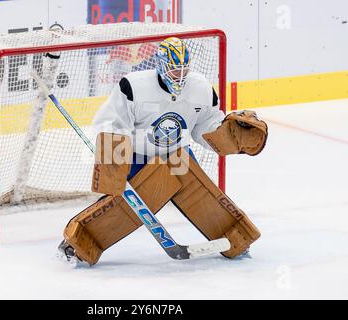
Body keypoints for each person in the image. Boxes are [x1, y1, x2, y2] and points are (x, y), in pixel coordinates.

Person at [59, 37, 268, 265]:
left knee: (201, 194)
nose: (180, 77)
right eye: (174, 71)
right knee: (129, 204)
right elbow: (111, 123)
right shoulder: (133, 86)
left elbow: (206, 125)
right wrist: (112, 163)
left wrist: (226, 135)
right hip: (139, 155)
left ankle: (235, 237)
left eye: (183, 71)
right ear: (159, 65)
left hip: (177, 153)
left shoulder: (201, 89)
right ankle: (79, 242)